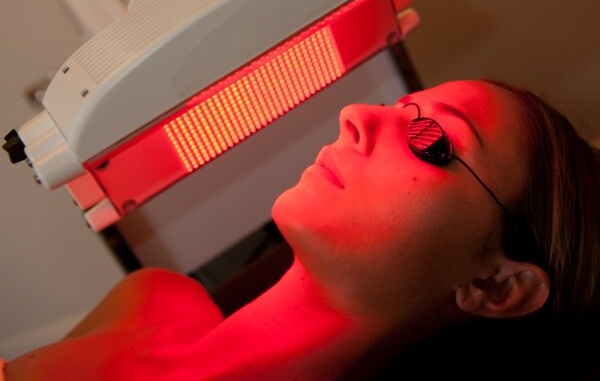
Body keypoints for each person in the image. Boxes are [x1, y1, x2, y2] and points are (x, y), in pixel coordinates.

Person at [4, 79, 599, 380]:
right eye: (399, 107)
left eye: (432, 142)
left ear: (497, 286)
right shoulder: (153, 296)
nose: (356, 116)